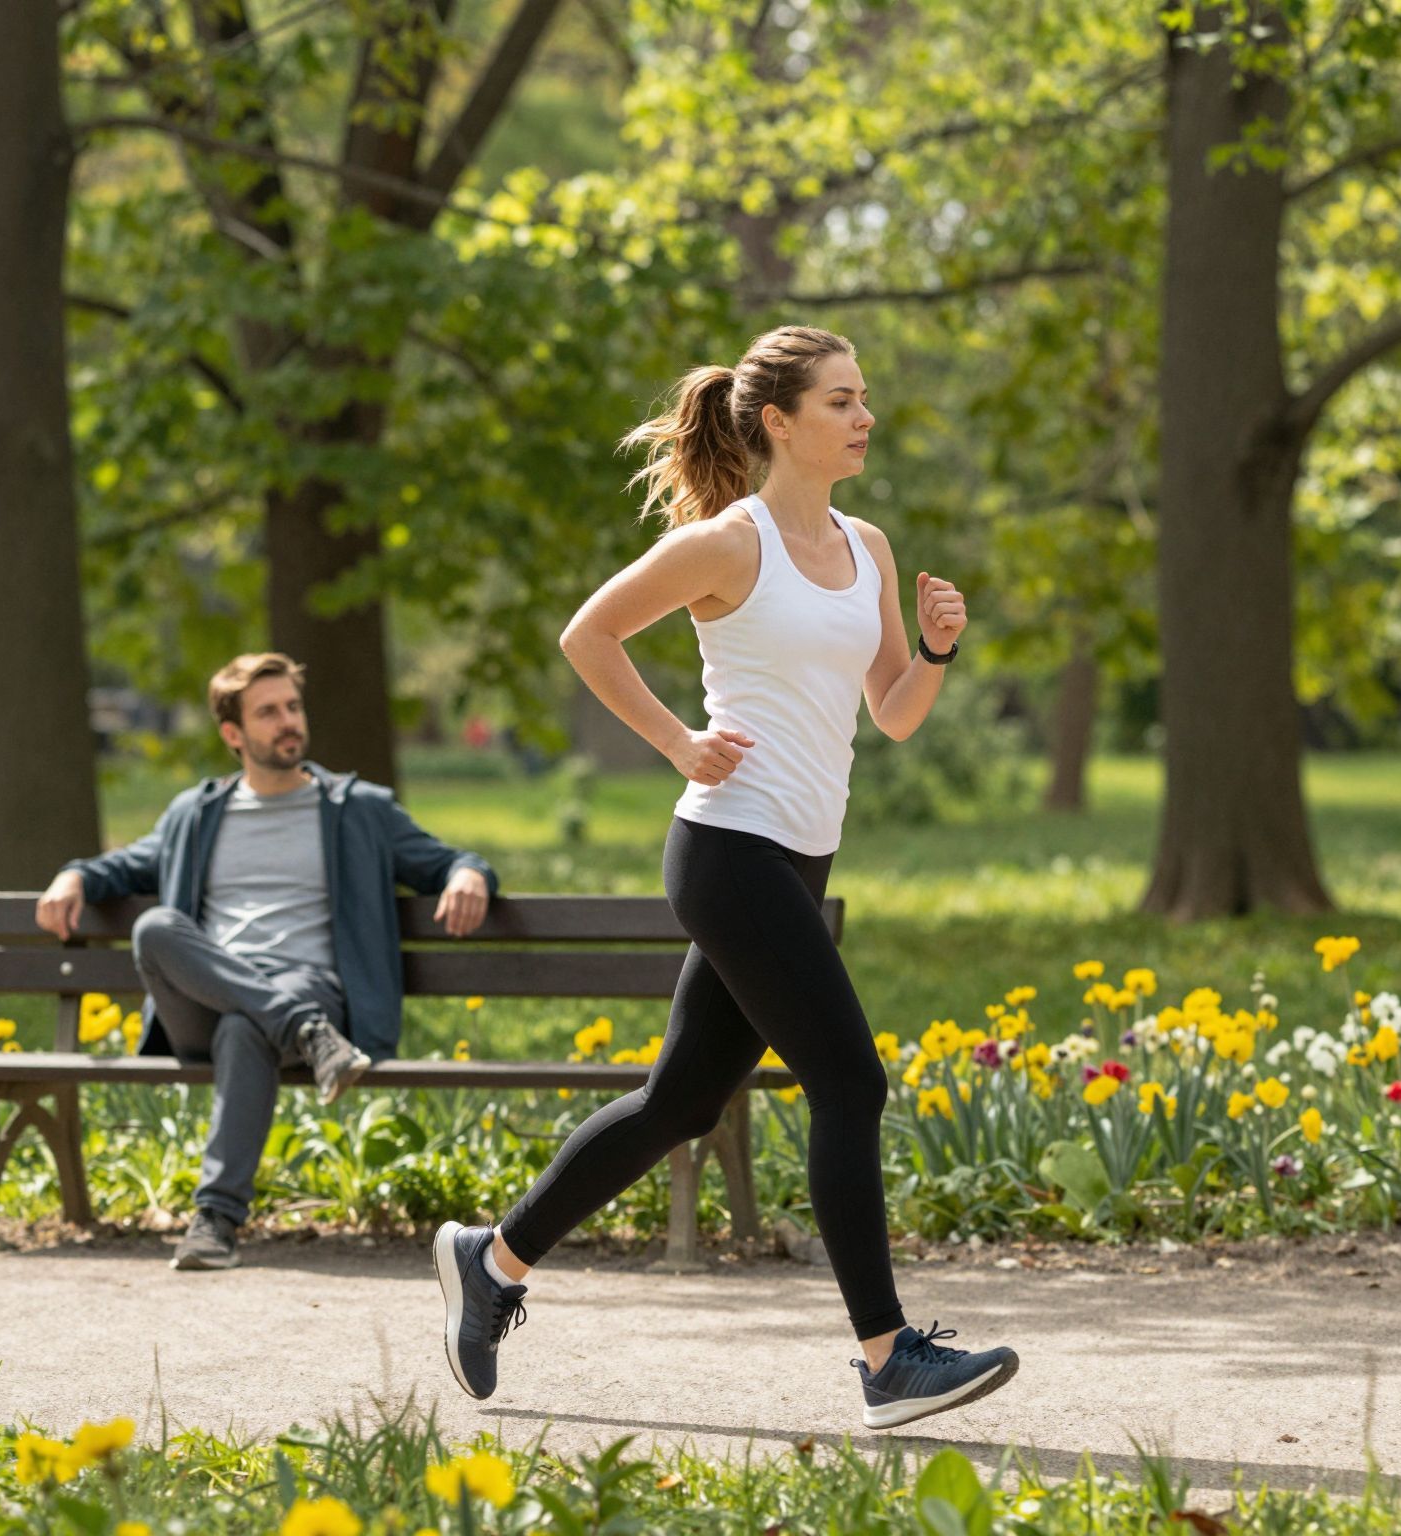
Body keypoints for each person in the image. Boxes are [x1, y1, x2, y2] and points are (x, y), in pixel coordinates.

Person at [431, 325, 1018, 1431]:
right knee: (850, 1082)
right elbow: (588, 635)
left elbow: (890, 714)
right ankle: (888, 1360)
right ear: (778, 423)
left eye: (863, 398)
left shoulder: (868, 546)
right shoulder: (727, 545)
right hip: (726, 848)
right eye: (841, 401)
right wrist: (673, 742)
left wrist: (935, 648)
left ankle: (491, 1257)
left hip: (797, 861)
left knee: (680, 1101)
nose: (863, 418)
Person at [34, 652, 501, 1272]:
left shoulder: (357, 808)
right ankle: (306, 1034)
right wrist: (72, 878)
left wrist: (470, 872)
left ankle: (216, 1220)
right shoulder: (194, 815)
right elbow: (119, 867)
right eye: (268, 712)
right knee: (154, 927)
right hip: (213, 1005)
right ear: (233, 734)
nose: (289, 722)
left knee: (243, 1025)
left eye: (292, 707)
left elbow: (446, 859)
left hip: (311, 987)